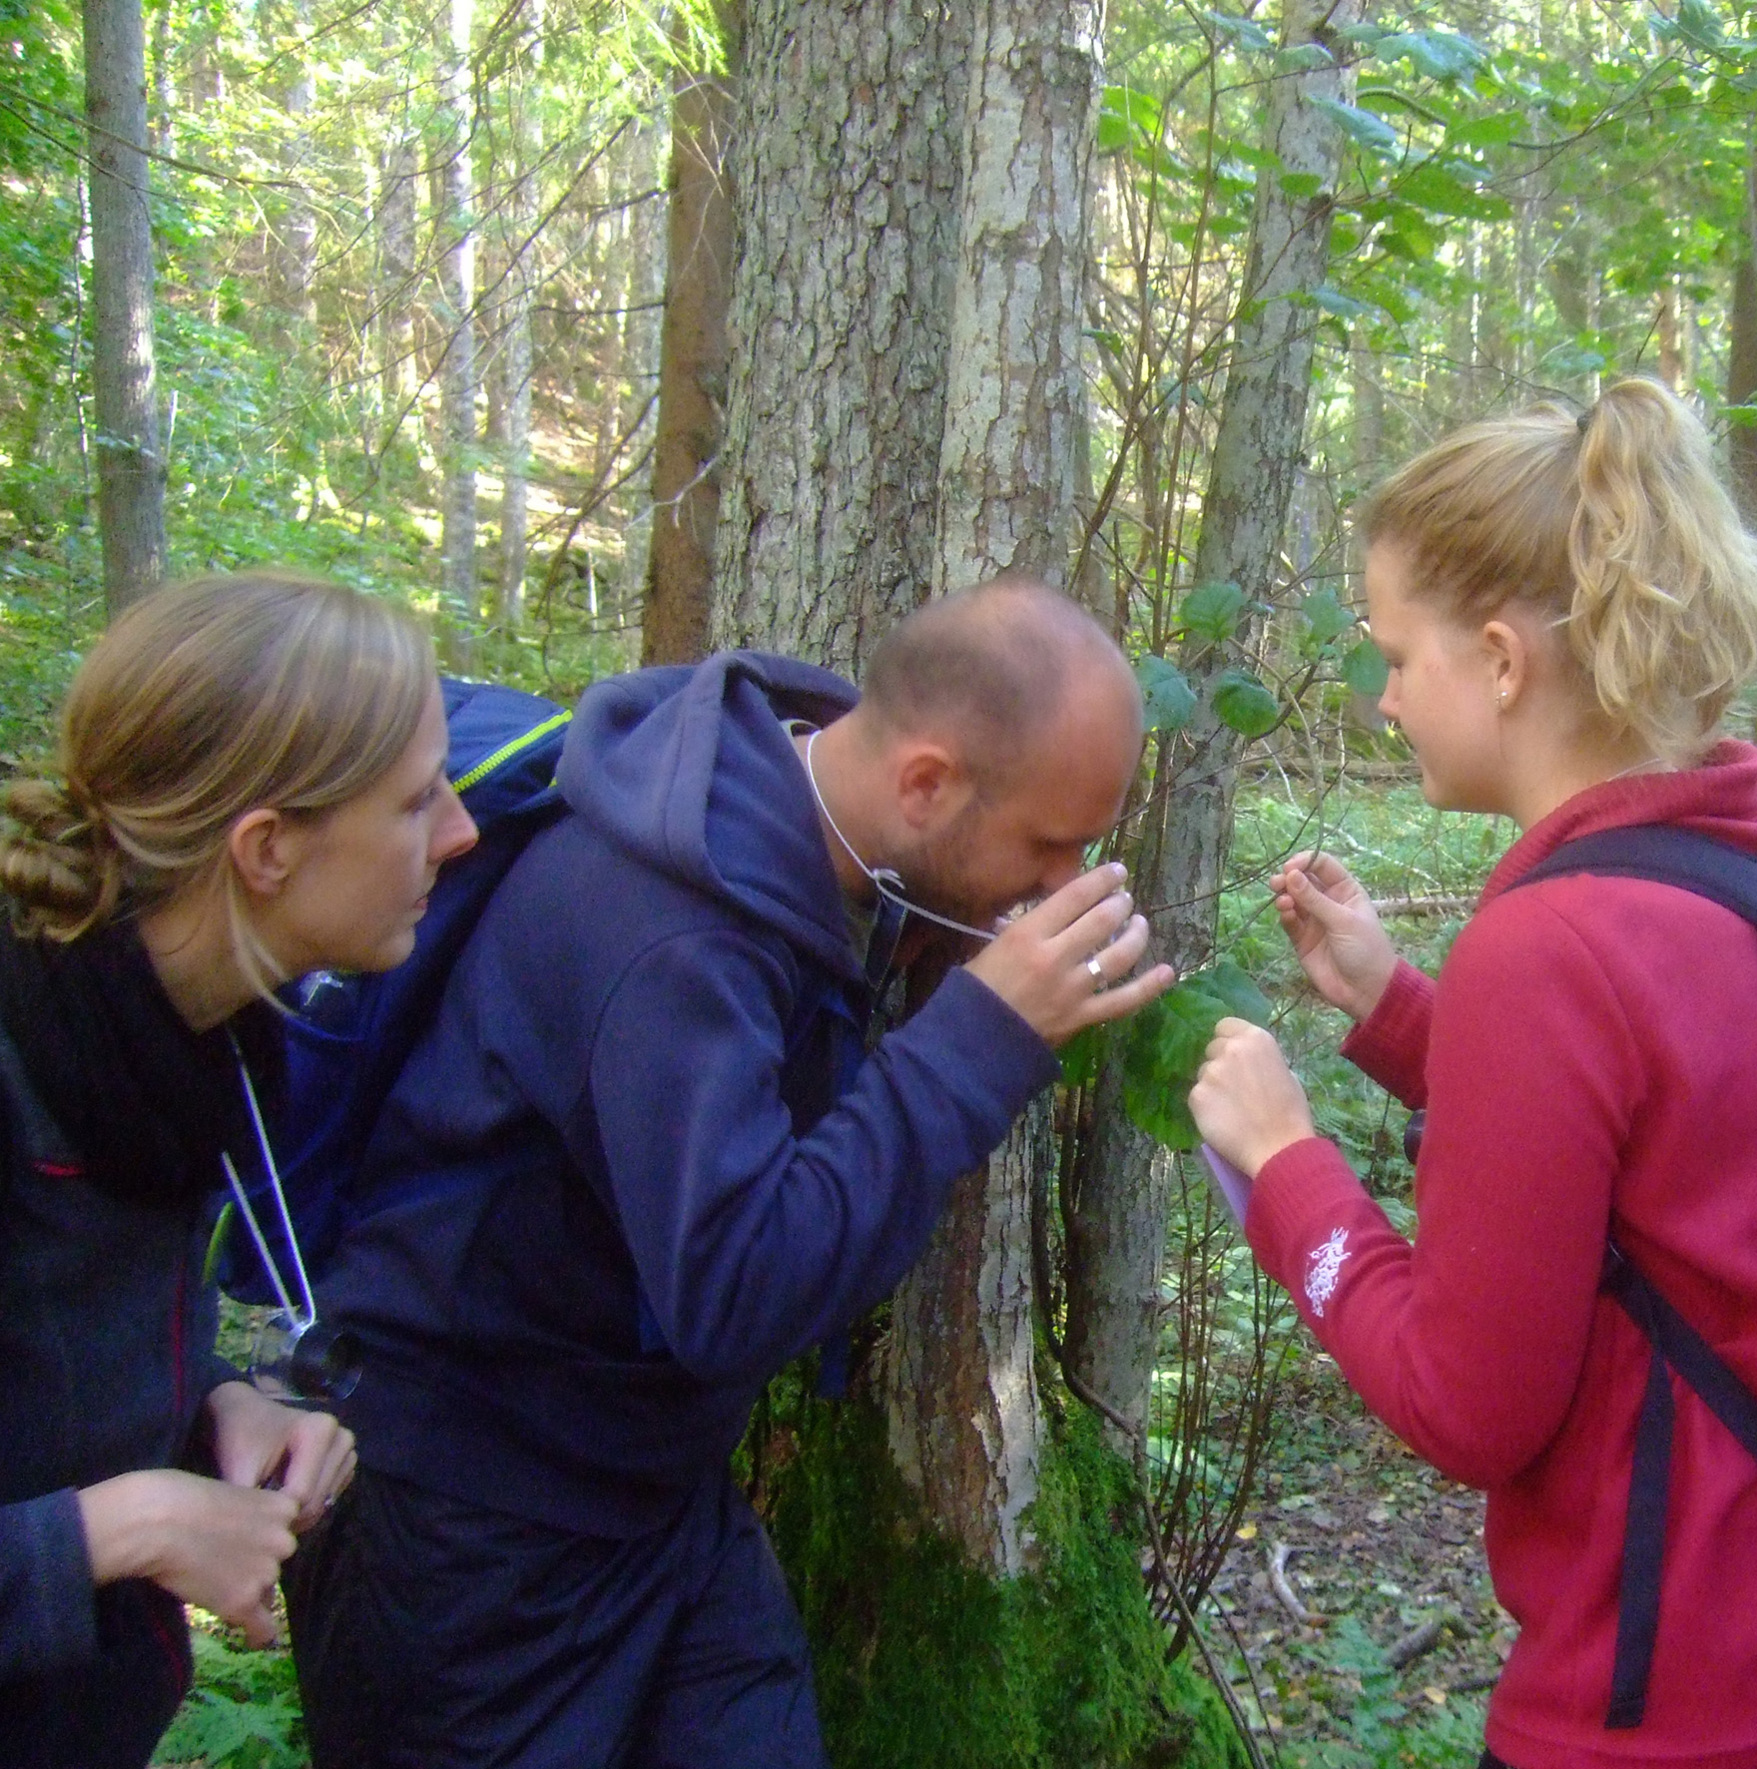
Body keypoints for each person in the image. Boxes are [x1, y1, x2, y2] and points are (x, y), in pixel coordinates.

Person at [286, 576, 1174, 1769]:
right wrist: (980, 1035)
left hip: (652, 1502)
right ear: (924, 783)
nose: (1067, 883)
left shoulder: (831, 835)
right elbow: (735, 1289)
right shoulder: (667, 933)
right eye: (1047, 844)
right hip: (466, 1535)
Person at [1190, 381, 1757, 1769]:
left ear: (1495, 658)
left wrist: (1286, 1165)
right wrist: (1392, 1005)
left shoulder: (1546, 947)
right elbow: (1673, 1158)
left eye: (1391, 656)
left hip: (1670, 1710)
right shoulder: (1751, 853)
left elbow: (1467, 1404)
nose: (1381, 703)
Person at [0, 572, 479, 1768]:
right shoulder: (30, 1059)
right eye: (418, 798)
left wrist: (218, 1402)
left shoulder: (186, 1034)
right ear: (264, 847)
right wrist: (121, 1526)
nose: (462, 830)